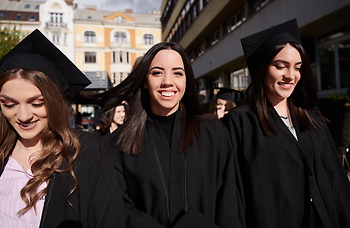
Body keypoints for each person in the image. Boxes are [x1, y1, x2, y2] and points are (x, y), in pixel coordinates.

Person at [96, 41, 244, 227]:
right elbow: (118, 207)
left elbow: (228, 201)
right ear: (144, 81)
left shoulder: (213, 133)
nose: (168, 81)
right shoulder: (119, 144)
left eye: (178, 73)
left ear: (186, 80)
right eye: (157, 72)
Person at [0, 29, 125, 227]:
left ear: (55, 102)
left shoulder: (86, 153)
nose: (24, 116)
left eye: (37, 103)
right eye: (9, 104)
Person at [222, 19, 350, 227]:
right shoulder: (241, 123)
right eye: (280, 66)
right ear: (263, 68)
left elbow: (335, 179)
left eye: (297, 68)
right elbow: (234, 190)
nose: (291, 76)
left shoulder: (312, 118)